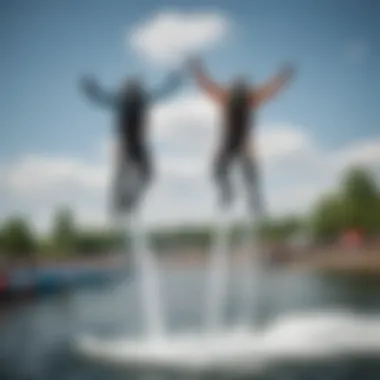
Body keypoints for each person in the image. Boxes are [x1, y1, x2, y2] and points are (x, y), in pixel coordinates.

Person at [188, 58, 296, 218]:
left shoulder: (248, 98)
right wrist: (197, 71)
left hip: (242, 144)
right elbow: (207, 85)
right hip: (230, 143)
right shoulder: (230, 97)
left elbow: (270, 89)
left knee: (249, 172)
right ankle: (228, 192)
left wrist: (282, 77)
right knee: (219, 169)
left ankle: (252, 199)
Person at [80, 71, 183, 216]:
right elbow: (101, 97)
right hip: (126, 145)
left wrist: (175, 80)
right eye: (131, 89)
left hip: (139, 144)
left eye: (134, 89)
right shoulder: (122, 100)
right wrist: (90, 88)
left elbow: (163, 92)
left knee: (147, 174)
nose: (133, 92)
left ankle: (130, 201)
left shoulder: (142, 98)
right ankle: (119, 203)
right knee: (123, 173)